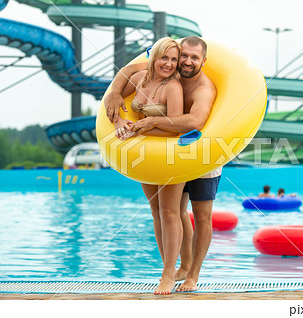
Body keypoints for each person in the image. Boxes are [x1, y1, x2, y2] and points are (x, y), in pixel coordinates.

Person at [105, 36, 218, 292]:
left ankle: (191, 274)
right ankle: (182, 267)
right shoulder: (153, 75)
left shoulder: (198, 88)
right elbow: (128, 70)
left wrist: (151, 124)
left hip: (203, 148)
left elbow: (194, 122)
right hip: (157, 150)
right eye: (182, 56)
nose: (184, 62)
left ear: (203, 60)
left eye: (191, 58)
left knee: (199, 215)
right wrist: (113, 96)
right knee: (169, 211)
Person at [108, 37, 185, 295]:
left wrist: (143, 129)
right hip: (144, 153)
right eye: (165, 57)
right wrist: (119, 120)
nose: (169, 64)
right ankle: (168, 269)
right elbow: (115, 100)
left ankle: (168, 276)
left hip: (169, 153)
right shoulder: (141, 78)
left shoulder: (173, 87)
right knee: (156, 212)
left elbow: (175, 126)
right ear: (154, 57)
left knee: (170, 212)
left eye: (174, 60)